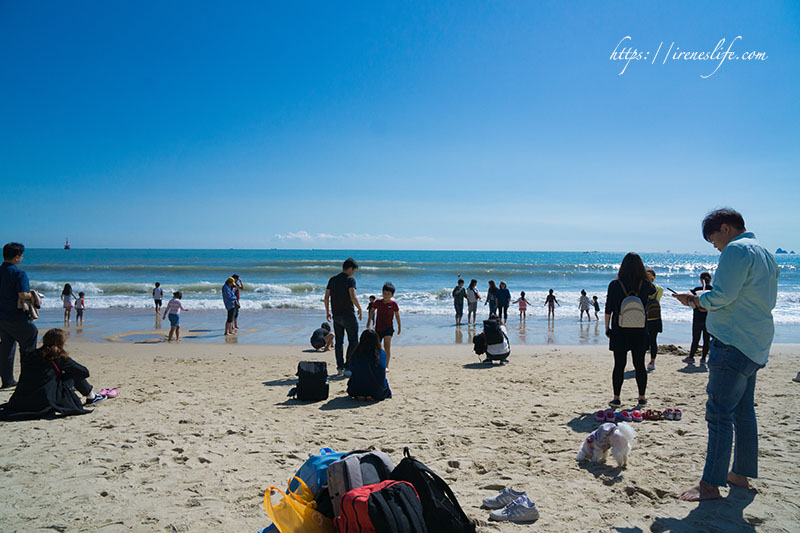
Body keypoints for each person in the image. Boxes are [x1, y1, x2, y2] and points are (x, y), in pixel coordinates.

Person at [674, 208, 778, 502]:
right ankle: (739, 475)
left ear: (725, 228)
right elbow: (755, 297)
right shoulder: (766, 254)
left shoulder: (736, 250)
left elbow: (722, 296)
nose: (715, 246)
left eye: (713, 240)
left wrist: (695, 300)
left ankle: (710, 484)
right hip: (756, 342)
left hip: (733, 341)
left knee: (719, 414)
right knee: (744, 412)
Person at [0, 328, 109, 419]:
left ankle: (92, 396)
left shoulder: (31, 354)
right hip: (45, 398)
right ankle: (92, 396)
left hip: (24, 396)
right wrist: (64, 370)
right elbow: (84, 372)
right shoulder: (59, 357)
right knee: (74, 373)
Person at [604, 253, 656, 408]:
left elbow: (608, 309)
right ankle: (641, 397)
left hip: (619, 330)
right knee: (639, 364)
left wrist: (607, 328)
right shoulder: (647, 285)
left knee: (619, 364)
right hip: (640, 330)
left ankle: (616, 398)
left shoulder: (615, 284)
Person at [0, 242, 38, 389]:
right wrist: (33, 295)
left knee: (7, 347)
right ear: (16, 257)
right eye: (21, 256)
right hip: (16, 317)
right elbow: (23, 294)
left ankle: (7, 380)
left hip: (1, 316)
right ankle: (27, 379)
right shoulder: (19, 273)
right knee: (29, 341)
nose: (21, 258)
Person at [324, 258, 362, 375]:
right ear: (350, 268)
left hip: (336, 315)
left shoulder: (333, 279)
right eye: (354, 270)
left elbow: (326, 297)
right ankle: (348, 367)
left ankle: (339, 367)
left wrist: (327, 312)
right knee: (353, 341)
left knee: (339, 342)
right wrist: (359, 308)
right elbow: (353, 296)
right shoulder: (350, 279)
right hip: (348, 315)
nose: (353, 273)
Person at [346, 330, 391, 401]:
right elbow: (381, 368)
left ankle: (361, 394)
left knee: (356, 376)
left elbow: (351, 368)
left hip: (356, 389)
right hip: (377, 391)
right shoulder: (381, 353)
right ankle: (371, 395)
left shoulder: (356, 353)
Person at [683, 271, 714, 366]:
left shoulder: (697, 290)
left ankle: (691, 357)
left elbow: (688, 297)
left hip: (697, 318)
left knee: (695, 339)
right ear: (710, 279)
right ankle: (703, 358)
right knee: (706, 339)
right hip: (708, 318)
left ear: (701, 280)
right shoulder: (713, 291)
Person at [368, 282, 401, 368]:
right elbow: (372, 311)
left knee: (387, 347)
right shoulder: (378, 302)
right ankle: (376, 363)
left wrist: (399, 326)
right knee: (377, 348)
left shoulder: (394, 304)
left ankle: (386, 366)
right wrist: (369, 322)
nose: (385, 295)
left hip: (388, 328)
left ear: (392, 295)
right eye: (384, 293)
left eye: (388, 294)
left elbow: (397, 316)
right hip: (378, 328)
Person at [645, 269, 664, 371]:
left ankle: (650, 361)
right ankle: (652, 362)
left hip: (647, 317)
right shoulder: (659, 289)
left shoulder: (643, 289)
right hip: (655, 317)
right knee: (652, 341)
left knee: (648, 341)